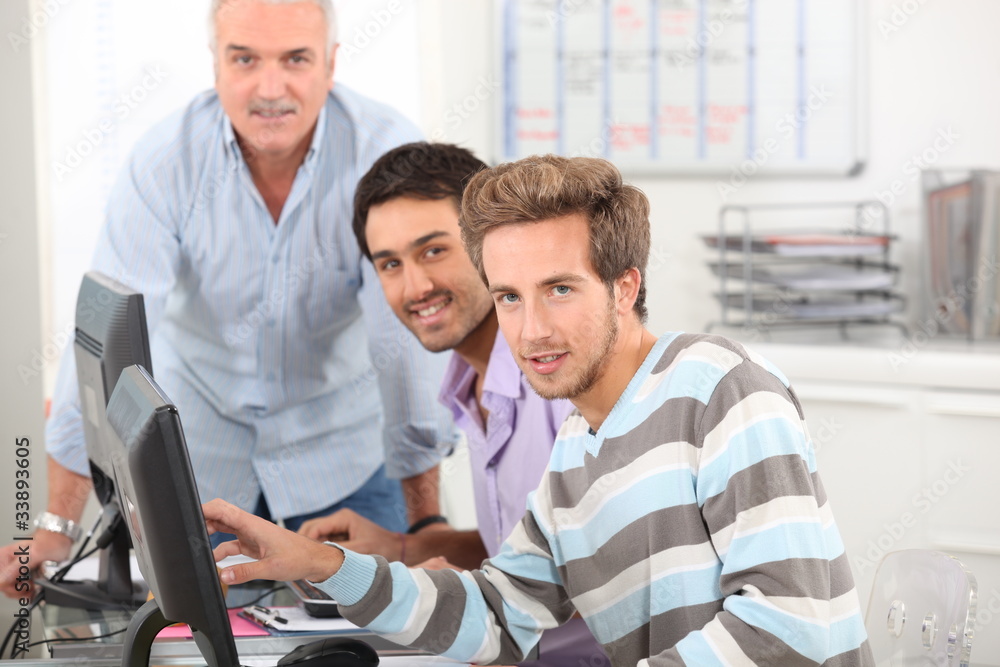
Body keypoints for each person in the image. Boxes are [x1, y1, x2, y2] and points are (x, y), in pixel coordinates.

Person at [205, 154, 875, 665]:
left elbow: (792, 624)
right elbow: (494, 612)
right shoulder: (577, 452)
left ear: (624, 286)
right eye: (510, 297)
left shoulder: (721, 389)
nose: (530, 331)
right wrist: (317, 564)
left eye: (559, 288)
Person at [0, 0, 454, 598]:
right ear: (216, 65)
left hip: (345, 463)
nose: (271, 88)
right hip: (204, 474)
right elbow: (106, 337)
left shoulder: (384, 151)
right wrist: (56, 526)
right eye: (245, 59)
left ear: (330, 63)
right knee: (203, 644)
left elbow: (405, 344)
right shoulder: (164, 162)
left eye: (296, 59)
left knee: (373, 645)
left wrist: (424, 523)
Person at [295, 142, 608, 667]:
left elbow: (610, 585)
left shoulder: (561, 381)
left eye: (434, 250)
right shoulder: (469, 381)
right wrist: (400, 549)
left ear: (492, 245)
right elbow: (527, 552)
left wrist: (462, 596)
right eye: (389, 264)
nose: (415, 286)